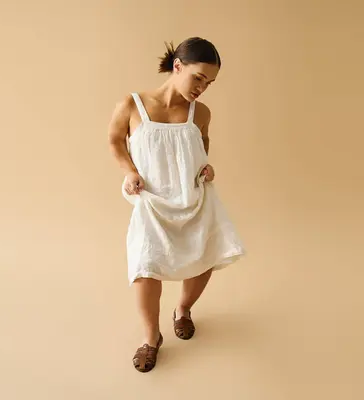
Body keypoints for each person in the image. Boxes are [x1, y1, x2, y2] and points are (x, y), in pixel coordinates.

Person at [107, 37, 245, 373]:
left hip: (194, 198)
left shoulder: (202, 113)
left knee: (203, 258)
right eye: (198, 77)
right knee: (145, 266)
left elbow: (202, 146)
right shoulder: (133, 104)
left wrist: (208, 167)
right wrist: (129, 172)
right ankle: (151, 337)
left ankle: (183, 310)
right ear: (178, 66)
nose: (202, 88)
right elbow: (114, 140)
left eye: (209, 83)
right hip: (151, 201)